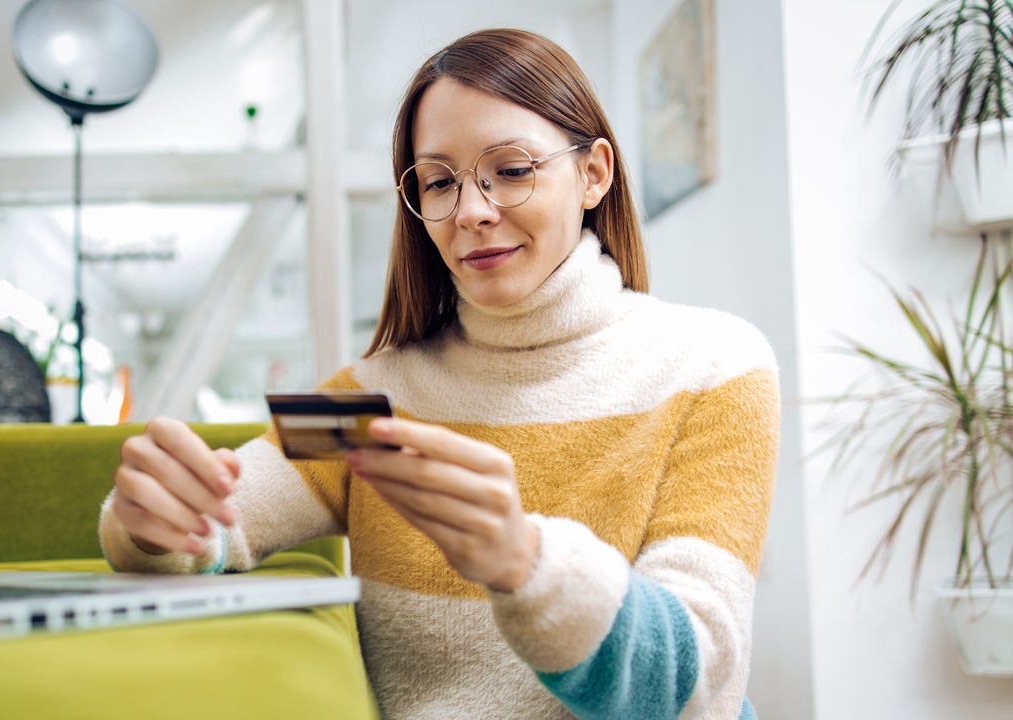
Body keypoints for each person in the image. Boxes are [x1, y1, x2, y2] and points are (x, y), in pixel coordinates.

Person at [99, 27, 779, 720]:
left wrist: (528, 563)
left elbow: (690, 682)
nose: (472, 212)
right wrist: (151, 524)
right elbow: (216, 527)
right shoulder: (363, 399)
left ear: (594, 174)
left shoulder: (718, 364)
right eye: (439, 182)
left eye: (511, 170)